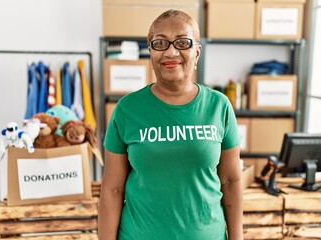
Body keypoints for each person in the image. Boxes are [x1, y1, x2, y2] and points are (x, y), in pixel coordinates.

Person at [98, 9, 243, 240]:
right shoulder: (127, 109)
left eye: (183, 42)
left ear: (197, 52)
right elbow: (113, 189)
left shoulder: (219, 106)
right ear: (150, 51)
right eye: (160, 43)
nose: (171, 51)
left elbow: (231, 180)